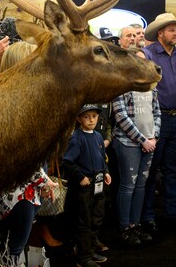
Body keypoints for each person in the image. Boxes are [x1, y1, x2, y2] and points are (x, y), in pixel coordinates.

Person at [0, 41, 59, 265]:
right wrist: (45, 181)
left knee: (0, 248)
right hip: (20, 194)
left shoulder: (1, 98)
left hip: (6, 193)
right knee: (12, 250)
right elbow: (22, 155)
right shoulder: (19, 105)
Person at [141, 13, 176, 232]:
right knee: (151, 172)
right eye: (171, 29)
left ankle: (173, 214)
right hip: (157, 119)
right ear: (160, 33)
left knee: (174, 170)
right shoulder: (147, 55)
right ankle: (148, 216)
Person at [111, 48, 161, 247]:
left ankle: (136, 224)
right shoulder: (120, 84)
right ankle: (125, 227)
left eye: (144, 60)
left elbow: (157, 112)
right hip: (128, 142)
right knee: (128, 185)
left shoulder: (151, 86)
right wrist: (143, 140)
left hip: (150, 142)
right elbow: (120, 116)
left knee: (141, 185)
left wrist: (154, 136)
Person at [63, 105, 112, 267]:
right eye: (86, 117)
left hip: (98, 184)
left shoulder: (98, 136)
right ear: (79, 119)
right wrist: (80, 176)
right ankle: (83, 258)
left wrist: (105, 172)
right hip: (85, 187)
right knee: (84, 221)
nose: (91, 120)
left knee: (96, 219)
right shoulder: (77, 138)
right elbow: (67, 162)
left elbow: (102, 157)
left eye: (94, 116)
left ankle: (90, 251)